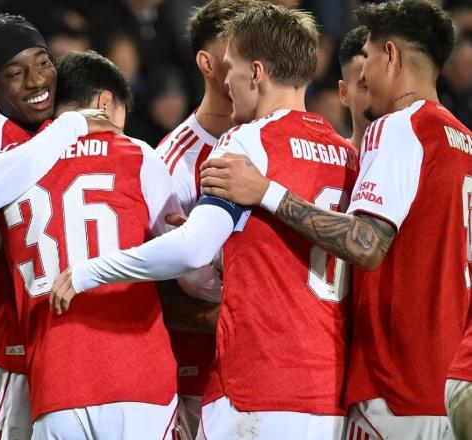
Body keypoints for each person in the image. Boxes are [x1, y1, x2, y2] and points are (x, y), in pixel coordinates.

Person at [51, 4, 358, 439]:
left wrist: (89, 271)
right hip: (330, 391)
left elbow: (190, 250)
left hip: (256, 387)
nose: (227, 82)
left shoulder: (247, 141)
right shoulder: (346, 153)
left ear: (256, 73)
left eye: (232, 67)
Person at [198, 1, 471, 438]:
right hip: (452, 378)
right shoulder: (464, 140)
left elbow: (365, 244)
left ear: (391, 56)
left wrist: (265, 191)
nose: (363, 77)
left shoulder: (400, 126)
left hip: (396, 381)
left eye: (368, 57)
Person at [0, 13, 116, 439]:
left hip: (63, 352)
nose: (36, 81)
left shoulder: (56, 129)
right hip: (3, 353)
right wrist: (71, 126)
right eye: (14, 73)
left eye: (42, 62)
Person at [155, 1, 261, 436]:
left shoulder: (278, 139)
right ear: (207, 63)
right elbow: (168, 289)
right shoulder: (172, 163)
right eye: (237, 50)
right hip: (201, 379)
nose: (253, 63)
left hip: (282, 372)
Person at [337, 25, 370, 149]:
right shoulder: (333, 159)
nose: (378, 94)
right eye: (365, 86)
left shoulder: (415, 156)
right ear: (344, 93)